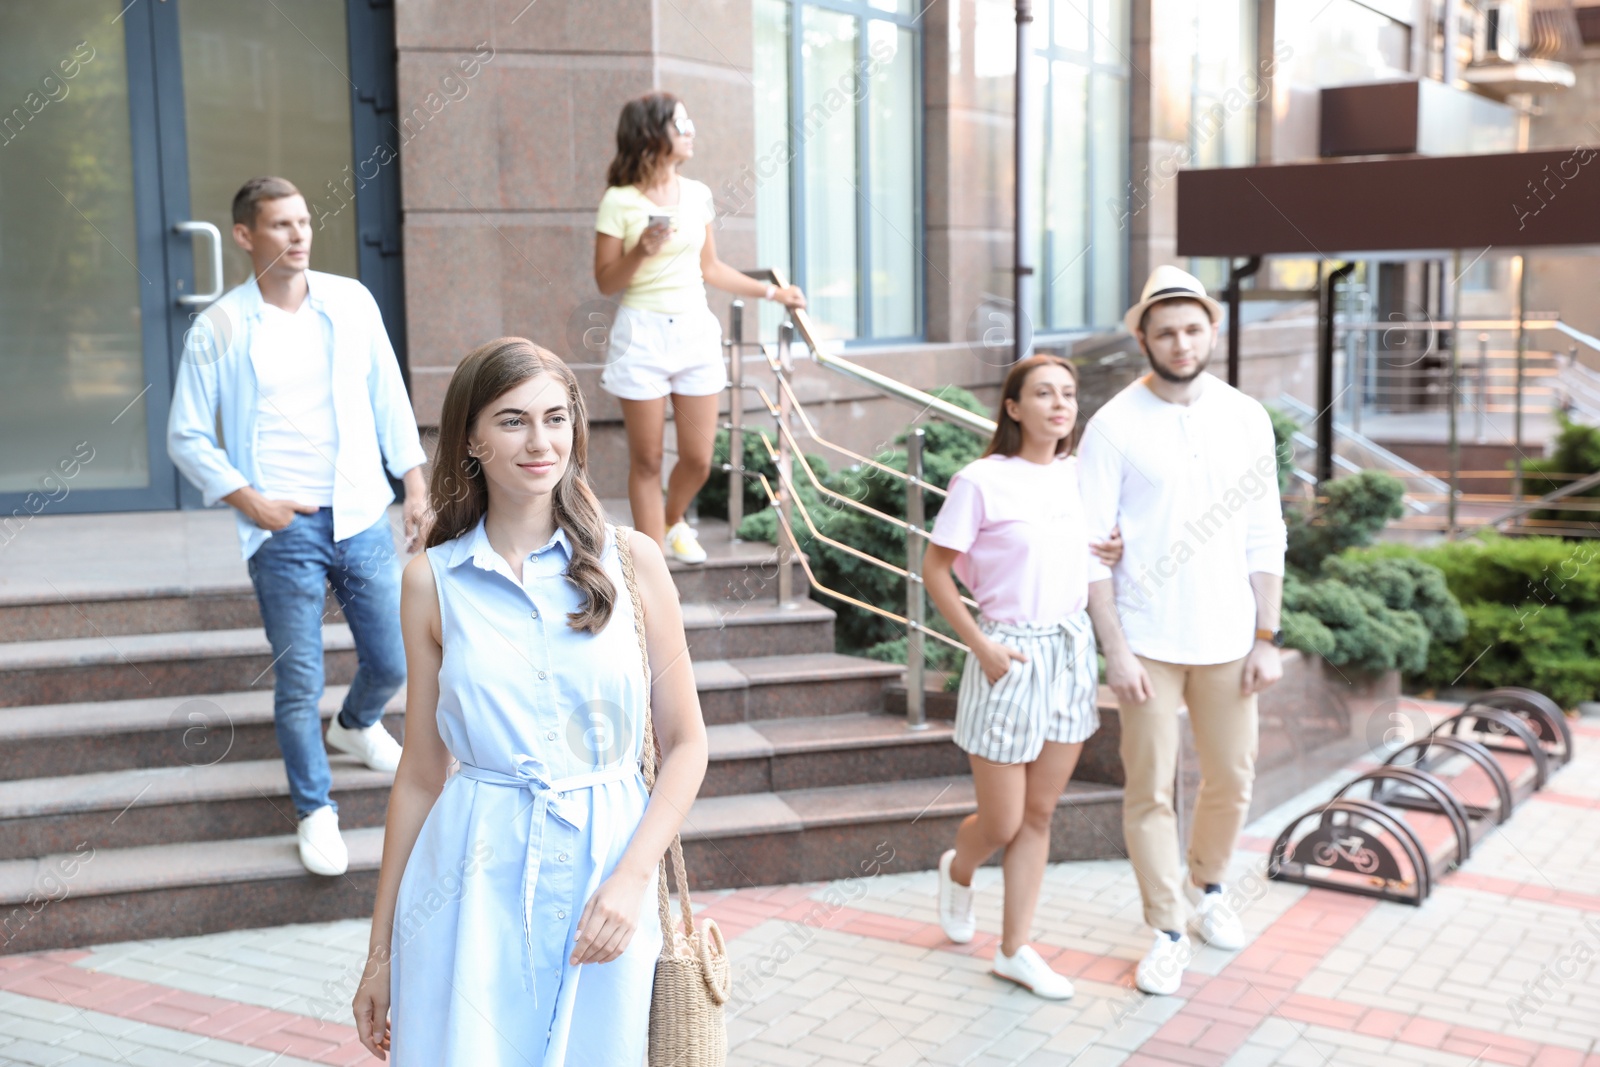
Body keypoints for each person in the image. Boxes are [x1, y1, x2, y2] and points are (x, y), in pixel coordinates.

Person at [350, 339, 709, 1064]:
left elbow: (687, 742)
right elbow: (421, 772)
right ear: (472, 440)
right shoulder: (432, 581)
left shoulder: (632, 559)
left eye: (555, 417)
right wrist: (379, 952)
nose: (540, 441)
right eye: (512, 421)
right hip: (470, 881)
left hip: (607, 870)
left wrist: (633, 877)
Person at [167, 176, 427, 877]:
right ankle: (316, 811)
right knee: (299, 678)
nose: (299, 235)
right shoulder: (219, 325)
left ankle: (354, 725)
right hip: (283, 528)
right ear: (246, 236)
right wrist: (251, 501)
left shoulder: (350, 301)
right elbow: (186, 435)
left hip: (362, 511)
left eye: (305, 221)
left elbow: (389, 397)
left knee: (394, 659)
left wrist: (415, 482)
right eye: (281, 225)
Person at [1077, 266, 1288, 996]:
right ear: (1143, 338)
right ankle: (1167, 928)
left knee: (1232, 774)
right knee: (1150, 788)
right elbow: (1086, 546)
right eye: (1165, 330)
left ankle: (1211, 886)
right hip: (1147, 640)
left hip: (1230, 635)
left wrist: (1268, 634)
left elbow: (1267, 531)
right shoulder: (1111, 425)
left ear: (1212, 332)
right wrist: (1115, 649)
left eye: (1192, 328)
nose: (1180, 341)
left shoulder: (1246, 416)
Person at [926, 355, 1123, 1000]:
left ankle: (1015, 950)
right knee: (1003, 822)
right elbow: (936, 569)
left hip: (1070, 652)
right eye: (1043, 393)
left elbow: (1098, 553)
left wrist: (1113, 550)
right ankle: (959, 868)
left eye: (1068, 393)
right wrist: (980, 646)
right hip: (1006, 654)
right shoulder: (981, 480)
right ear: (1013, 408)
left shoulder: (1083, 478)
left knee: (1039, 815)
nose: (1060, 404)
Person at [593, 91, 805, 562]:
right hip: (641, 335)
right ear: (652, 134)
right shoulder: (619, 201)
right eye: (680, 124)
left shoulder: (698, 194)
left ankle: (673, 520)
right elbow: (606, 281)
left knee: (698, 459)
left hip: (693, 332)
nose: (690, 132)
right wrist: (640, 251)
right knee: (647, 461)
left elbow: (712, 267)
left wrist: (773, 293)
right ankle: (650, 572)